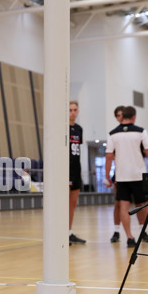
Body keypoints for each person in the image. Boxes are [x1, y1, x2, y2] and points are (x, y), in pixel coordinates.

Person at [104, 106, 148, 247]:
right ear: (133, 117)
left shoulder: (112, 133)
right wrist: (139, 153)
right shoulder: (140, 131)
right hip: (138, 175)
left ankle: (130, 238)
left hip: (121, 177)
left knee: (123, 207)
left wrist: (107, 176)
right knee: (145, 206)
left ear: (122, 117)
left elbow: (108, 156)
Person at [68, 101, 86, 245]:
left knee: (72, 204)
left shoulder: (79, 129)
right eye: (70, 110)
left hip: (76, 170)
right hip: (65, 171)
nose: (73, 112)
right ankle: (61, 233)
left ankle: (69, 232)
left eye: (75, 110)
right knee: (64, 204)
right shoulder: (63, 127)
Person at [109, 106, 125, 243]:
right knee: (118, 204)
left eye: (122, 115)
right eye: (118, 115)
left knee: (141, 204)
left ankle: (143, 231)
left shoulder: (135, 131)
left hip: (134, 174)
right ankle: (116, 231)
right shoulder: (114, 134)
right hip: (119, 174)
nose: (120, 117)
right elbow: (110, 155)